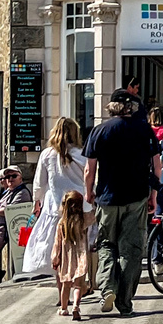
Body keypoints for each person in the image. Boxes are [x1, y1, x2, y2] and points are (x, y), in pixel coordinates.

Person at [83, 88, 161, 317]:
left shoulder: (100, 131)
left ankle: (107, 289)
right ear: (132, 108)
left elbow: (90, 169)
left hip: (107, 197)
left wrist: (89, 191)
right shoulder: (145, 131)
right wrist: (153, 195)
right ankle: (125, 302)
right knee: (132, 249)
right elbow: (157, 167)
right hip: (136, 197)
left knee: (106, 243)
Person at [22, 118, 96, 280]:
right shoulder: (82, 154)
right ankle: (81, 284)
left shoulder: (47, 154)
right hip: (81, 206)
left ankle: (62, 290)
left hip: (55, 207)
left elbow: (39, 182)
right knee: (81, 245)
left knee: (57, 248)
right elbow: (91, 177)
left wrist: (37, 201)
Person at [51, 190, 96, 320]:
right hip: (81, 257)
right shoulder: (82, 220)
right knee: (78, 285)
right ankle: (76, 306)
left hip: (66, 258)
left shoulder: (61, 224)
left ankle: (64, 308)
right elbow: (94, 216)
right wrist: (92, 203)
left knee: (65, 284)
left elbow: (57, 243)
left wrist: (55, 258)